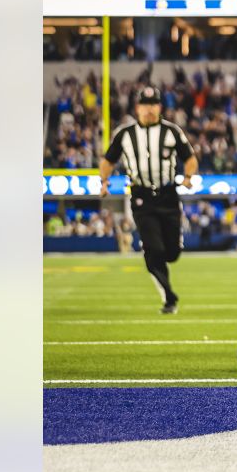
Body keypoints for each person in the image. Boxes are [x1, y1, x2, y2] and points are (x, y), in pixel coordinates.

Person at [99, 86, 197, 314]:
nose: (149, 109)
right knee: (153, 250)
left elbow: (190, 157)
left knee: (171, 253)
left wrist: (189, 176)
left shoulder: (172, 131)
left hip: (168, 194)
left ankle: (162, 262)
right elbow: (108, 160)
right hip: (141, 196)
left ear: (160, 107)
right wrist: (103, 181)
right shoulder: (125, 134)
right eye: (145, 105)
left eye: (153, 105)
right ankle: (169, 297)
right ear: (137, 108)